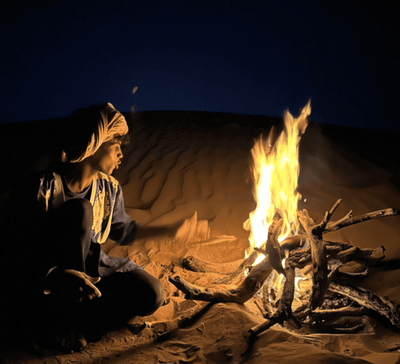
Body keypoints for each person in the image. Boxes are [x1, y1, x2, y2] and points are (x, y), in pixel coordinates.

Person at [0, 103, 168, 352]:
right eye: (116, 145)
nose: (121, 154)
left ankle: (77, 324)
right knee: (82, 210)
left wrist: (170, 229)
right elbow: (16, 250)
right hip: (49, 283)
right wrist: (56, 274)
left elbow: (125, 231)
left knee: (152, 293)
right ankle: (64, 323)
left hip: (92, 274)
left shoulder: (109, 189)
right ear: (94, 143)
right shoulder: (41, 188)